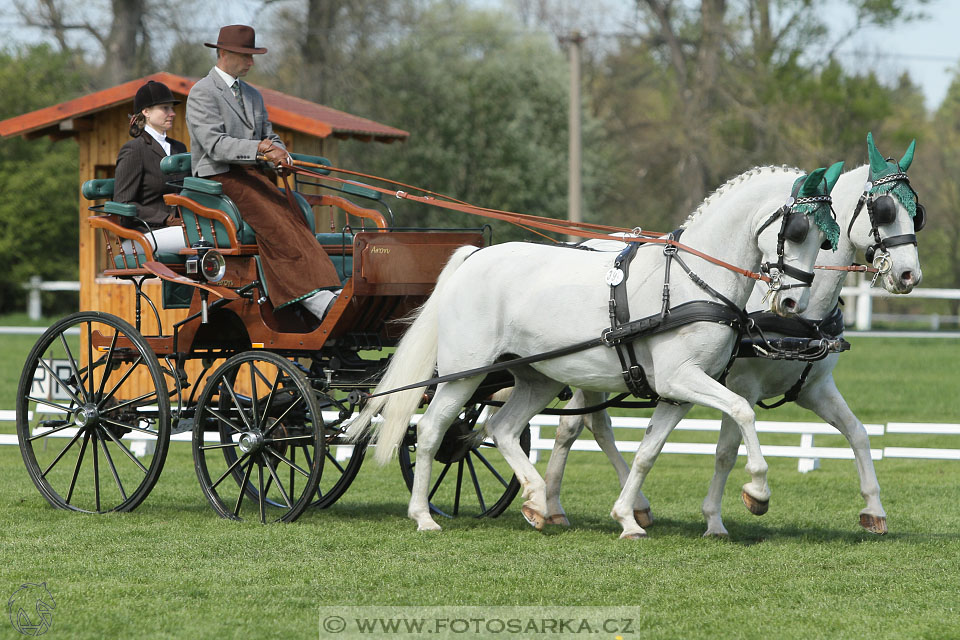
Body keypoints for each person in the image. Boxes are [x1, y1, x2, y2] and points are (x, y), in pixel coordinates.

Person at [186, 24, 340, 321]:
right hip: (218, 178)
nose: (251, 62)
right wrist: (261, 149)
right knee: (273, 218)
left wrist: (281, 155)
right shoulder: (202, 93)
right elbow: (215, 145)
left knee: (294, 213)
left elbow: (270, 137)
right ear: (225, 53)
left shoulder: (254, 96)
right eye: (247, 55)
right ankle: (315, 299)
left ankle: (324, 288)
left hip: (253, 174)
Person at [114, 80, 189, 255]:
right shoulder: (134, 150)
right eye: (165, 108)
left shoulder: (180, 148)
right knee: (202, 238)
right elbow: (122, 203)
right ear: (146, 112)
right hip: (144, 233)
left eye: (172, 108)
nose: (172, 113)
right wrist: (167, 219)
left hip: (178, 228)